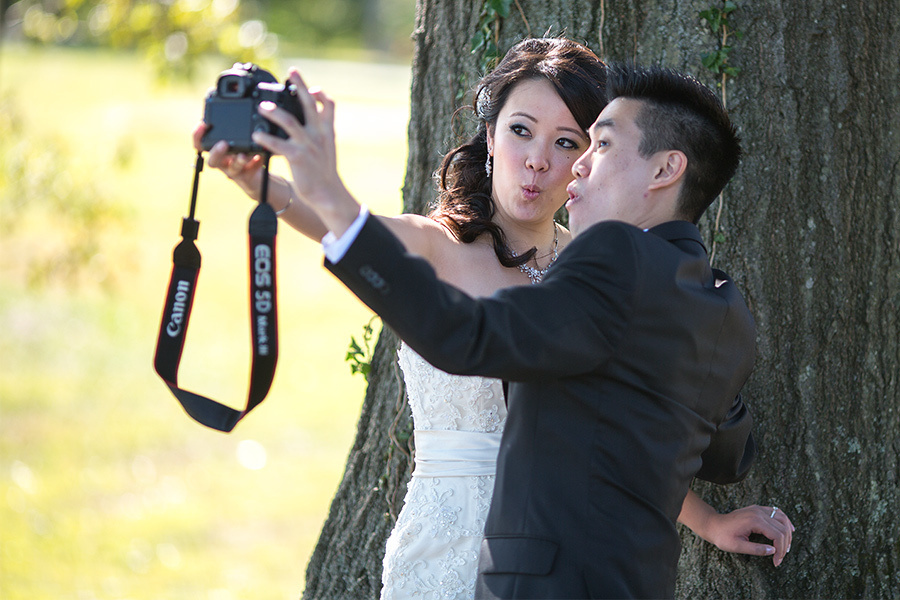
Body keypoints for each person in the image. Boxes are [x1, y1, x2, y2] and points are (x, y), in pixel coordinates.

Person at [198, 41, 793, 599]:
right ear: (489, 137)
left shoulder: (604, 269)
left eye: (570, 143)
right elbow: (350, 229)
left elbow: (621, 426)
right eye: (520, 132)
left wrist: (708, 521)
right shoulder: (440, 244)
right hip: (448, 537)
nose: (539, 160)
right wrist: (265, 186)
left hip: (547, 556)